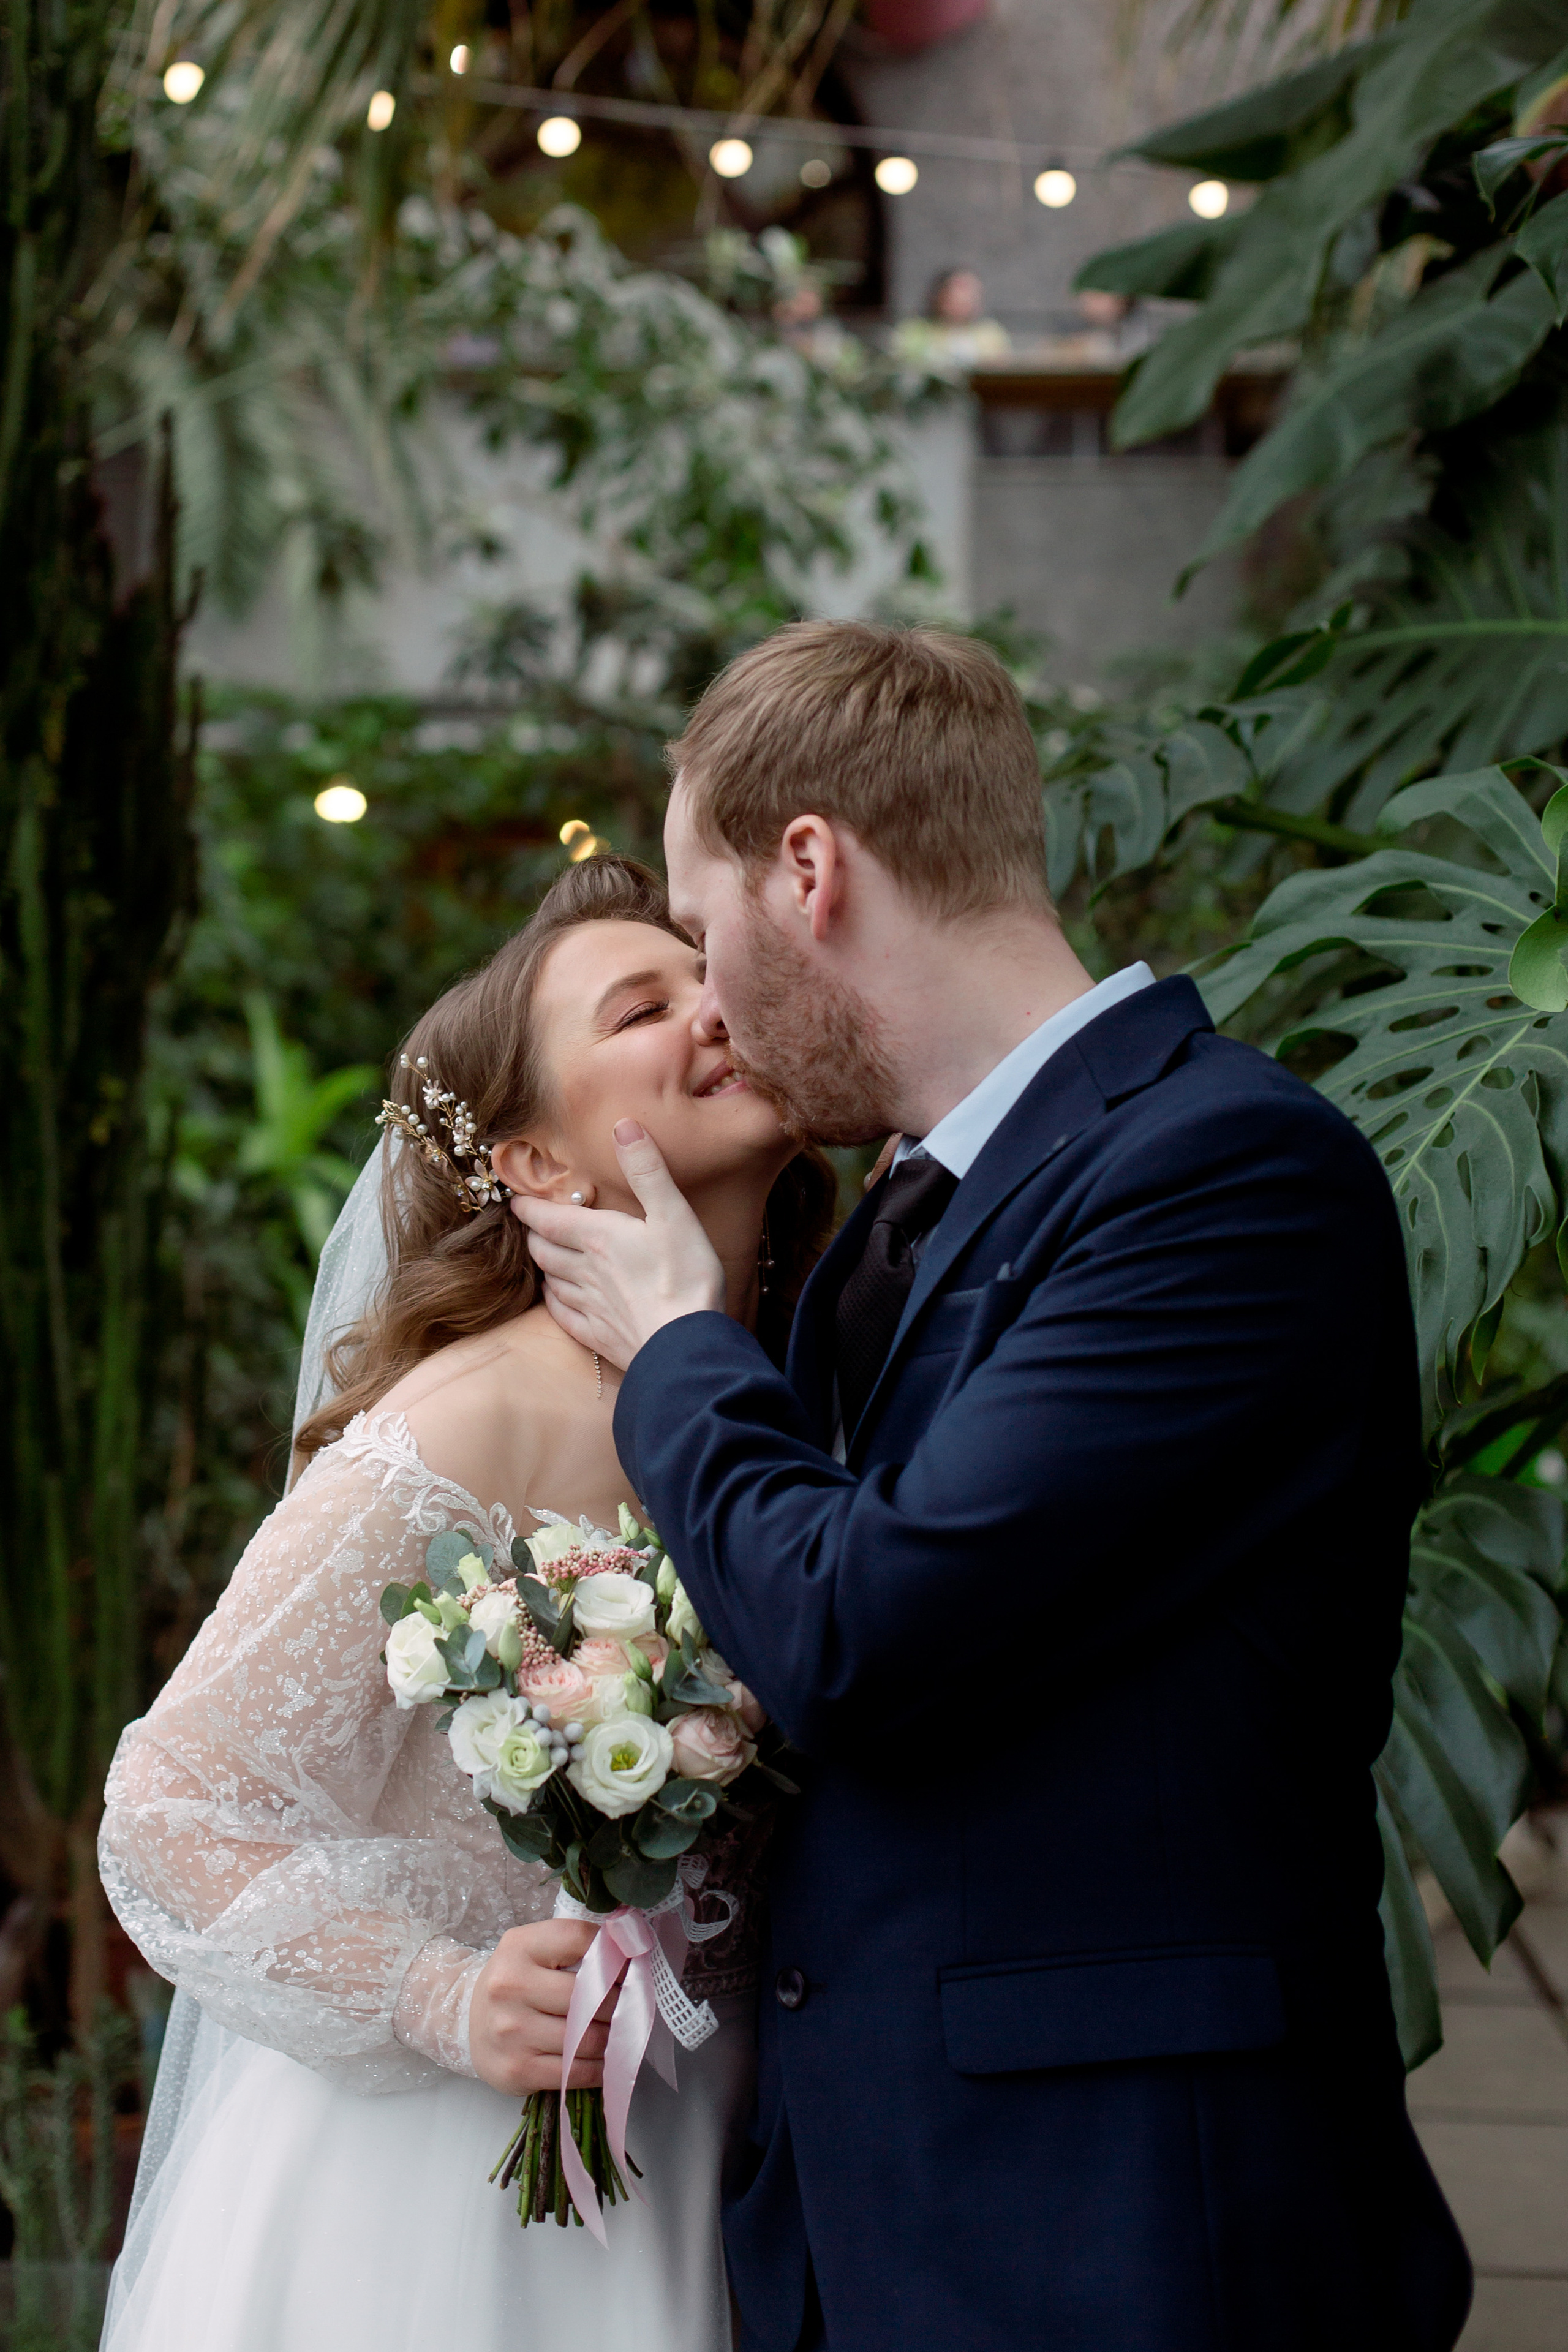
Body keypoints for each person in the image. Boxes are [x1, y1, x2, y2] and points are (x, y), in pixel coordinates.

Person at [514, 620, 1476, 2352]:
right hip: (857, 2222)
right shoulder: (889, 1216)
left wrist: (673, 1341)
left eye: (698, 922)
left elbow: (861, 1627)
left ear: (809, 869)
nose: (708, 999)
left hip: (1126, 2231)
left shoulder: (1227, 1175)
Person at [97, 854, 835, 2352]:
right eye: (644, 1005)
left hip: (718, 2159)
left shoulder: (815, 1390)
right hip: (444, 2196)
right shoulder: (471, 1422)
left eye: (708, 971)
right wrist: (443, 1996)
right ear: (538, 1168)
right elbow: (166, 1807)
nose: (712, 1007)